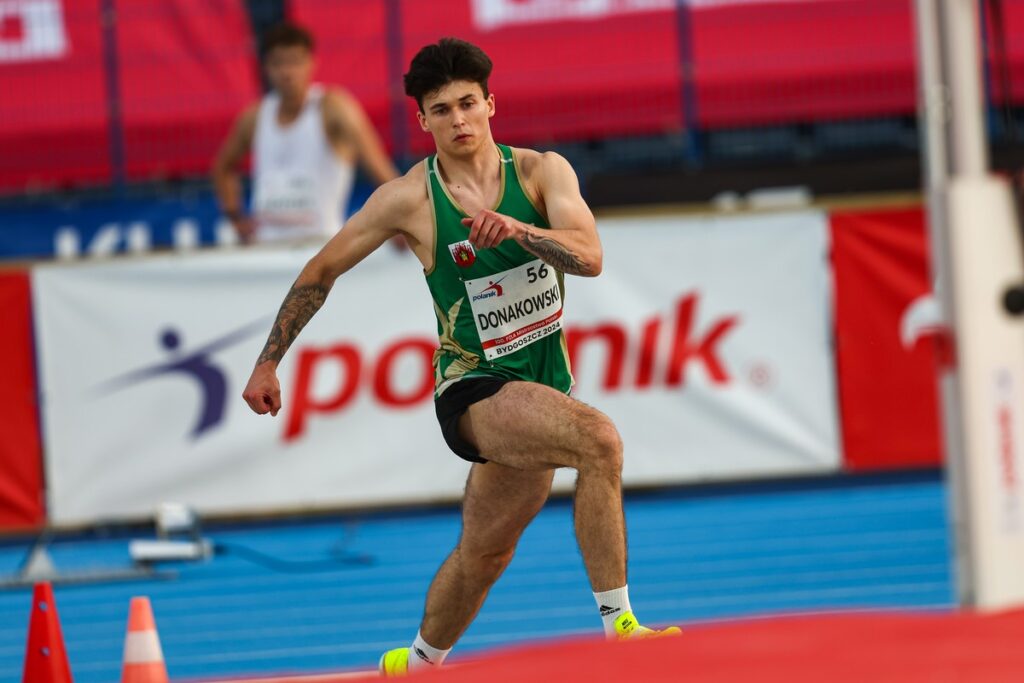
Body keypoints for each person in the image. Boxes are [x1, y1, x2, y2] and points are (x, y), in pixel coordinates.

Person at [241, 37, 679, 675]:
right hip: (473, 389)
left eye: (468, 104)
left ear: (491, 105)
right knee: (600, 442)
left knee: (485, 553)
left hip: (541, 383)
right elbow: (321, 269)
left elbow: (590, 257)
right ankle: (622, 630)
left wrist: (521, 230)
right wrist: (267, 361)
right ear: (422, 120)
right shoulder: (409, 200)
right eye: (441, 110)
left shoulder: (541, 172)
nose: (458, 120)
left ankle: (415, 664)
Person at [212, 22, 399, 245]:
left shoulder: (333, 108)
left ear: (311, 63)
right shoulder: (254, 117)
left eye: (294, 62)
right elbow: (222, 167)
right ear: (265, 67)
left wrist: (399, 221)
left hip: (322, 246)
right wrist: (235, 216)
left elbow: (377, 165)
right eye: (278, 63)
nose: (287, 72)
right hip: (266, 248)